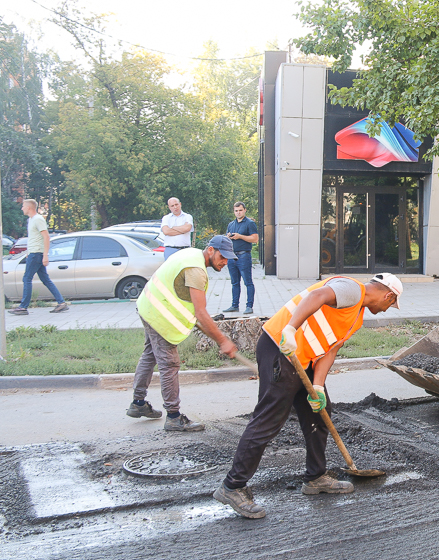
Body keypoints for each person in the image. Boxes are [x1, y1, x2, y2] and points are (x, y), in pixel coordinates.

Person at [214, 272, 404, 519]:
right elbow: (317, 295)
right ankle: (233, 486)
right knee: (268, 420)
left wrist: (319, 387)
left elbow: (330, 349)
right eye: (391, 304)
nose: (387, 309)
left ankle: (315, 477)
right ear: (388, 295)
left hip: (303, 360)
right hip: (281, 348)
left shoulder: (356, 316)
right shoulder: (352, 290)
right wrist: (291, 329)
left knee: (319, 413)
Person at [127, 235, 239, 432]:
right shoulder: (196, 270)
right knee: (169, 363)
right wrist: (224, 341)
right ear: (211, 250)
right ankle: (173, 416)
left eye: (228, 259)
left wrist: (218, 338)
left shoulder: (192, 255)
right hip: (159, 317)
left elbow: (198, 315)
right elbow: (201, 313)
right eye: (223, 256)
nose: (225, 262)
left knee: (150, 355)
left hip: (148, 306)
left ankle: (138, 403)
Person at [8, 199, 70, 315]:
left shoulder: (38, 219)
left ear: (29, 208)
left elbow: (46, 237)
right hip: (34, 252)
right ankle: (61, 303)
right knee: (45, 279)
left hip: (37, 254)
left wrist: (45, 255)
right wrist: (28, 251)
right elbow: (34, 238)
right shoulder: (31, 220)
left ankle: (23, 307)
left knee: (27, 279)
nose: (22, 208)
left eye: (23, 206)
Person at [223, 201, 259, 314]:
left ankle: (249, 306)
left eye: (240, 210)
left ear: (244, 210)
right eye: (236, 211)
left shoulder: (249, 223)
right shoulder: (231, 224)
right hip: (232, 256)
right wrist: (229, 237)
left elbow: (255, 239)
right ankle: (234, 305)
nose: (238, 212)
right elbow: (227, 239)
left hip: (244, 255)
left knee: (247, 282)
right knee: (234, 282)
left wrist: (240, 237)